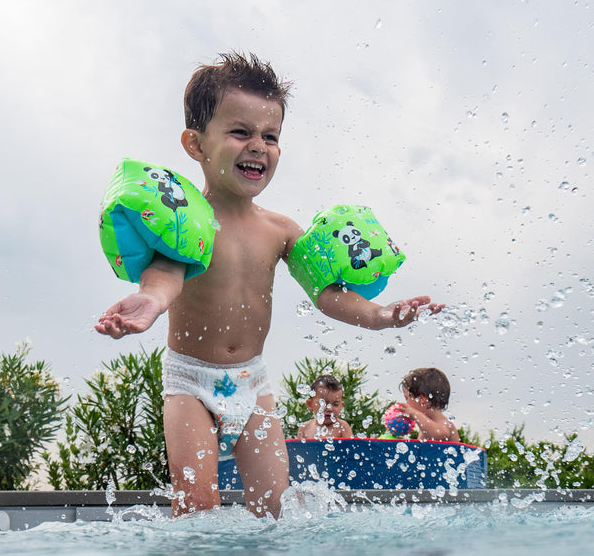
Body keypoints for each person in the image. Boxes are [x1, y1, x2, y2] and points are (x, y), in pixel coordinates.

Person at [95, 52, 443, 517]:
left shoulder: (281, 231)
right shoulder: (186, 223)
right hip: (190, 381)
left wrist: (381, 317)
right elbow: (167, 276)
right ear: (196, 144)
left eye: (270, 136)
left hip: (252, 383)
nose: (258, 145)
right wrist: (150, 300)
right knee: (197, 505)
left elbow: (327, 294)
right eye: (240, 132)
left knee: (274, 510)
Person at [384, 367, 460, 443]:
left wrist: (414, 414)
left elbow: (438, 435)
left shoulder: (446, 424)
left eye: (407, 398)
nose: (406, 403)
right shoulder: (425, 428)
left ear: (421, 399)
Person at [296, 375, 353, 441]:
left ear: (341, 406)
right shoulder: (304, 428)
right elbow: (298, 450)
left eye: (336, 404)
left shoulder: (342, 427)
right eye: (323, 403)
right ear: (310, 404)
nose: (329, 408)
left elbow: (351, 449)